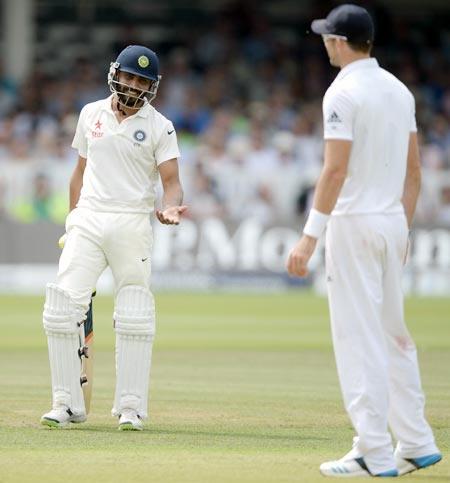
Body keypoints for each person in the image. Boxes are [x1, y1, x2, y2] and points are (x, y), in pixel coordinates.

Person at [287, 5, 442, 478]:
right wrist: (404, 227)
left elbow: (335, 169)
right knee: (394, 334)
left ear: (338, 42)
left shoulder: (343, 92)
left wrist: (309, 239)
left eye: (326, 39)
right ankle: (414, 441)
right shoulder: (398, 89)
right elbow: (414, 172)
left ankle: (373, 450)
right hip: (392, 222)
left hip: (354, 223)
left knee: (359, 339)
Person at [41, 45, 187, 430]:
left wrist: (171, 208)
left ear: (152, 86)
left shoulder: (161, 126)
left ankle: (131, 407)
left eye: (142, 80)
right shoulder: (91, 113)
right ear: (115, 74)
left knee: (134, 313)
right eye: (129, 76)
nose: (134, 85)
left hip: (131, 221)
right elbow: (79, 172)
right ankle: (65, 404)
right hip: (88, 218)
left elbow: (172, 184)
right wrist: (73, 220)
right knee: (61, 308)